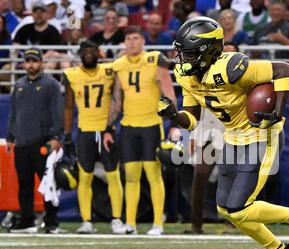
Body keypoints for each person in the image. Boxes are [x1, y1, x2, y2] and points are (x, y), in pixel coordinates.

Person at [158, 16, 289, 249]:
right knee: (226, 208)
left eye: (187, 54)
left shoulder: (231, 67)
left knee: (240, 207)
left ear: (206, 51)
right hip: (232, 137)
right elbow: (192, 120)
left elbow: (285, 69)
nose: (182, 60)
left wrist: (277, 111)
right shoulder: (187, 75)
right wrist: (173, 115)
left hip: (260, 136)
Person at [104, 26, 176, 235]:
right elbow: (116, 99)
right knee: (131, 177)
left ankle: (157, 224)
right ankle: (130, 224)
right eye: (129, 38)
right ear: (124, 41)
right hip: (128, 126)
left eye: (136, 38)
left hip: (151, 125)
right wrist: (109, 127)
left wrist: (174, 124)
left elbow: (169, 92)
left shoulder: (154, 59)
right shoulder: (119, 64)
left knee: (153, 175)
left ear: (143, 41)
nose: (132, 42)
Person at [63, 41, 125, 234]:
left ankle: (117, 219)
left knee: (113, 174)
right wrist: (66, 135)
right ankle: (87, 221)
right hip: (85, 131)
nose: (88, 54)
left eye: (92, 50)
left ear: (98, 53)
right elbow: (68, 107)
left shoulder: (109, 71)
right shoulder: (71, 75)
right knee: (85, 176)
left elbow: (117, 98)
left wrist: (110, 125)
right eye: (85, 51)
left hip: (106, 130)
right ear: (80, 54)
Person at [6, 47, 64, 234]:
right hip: (21, 142)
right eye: (28, 61)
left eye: (34, 61)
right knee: (24, 184)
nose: (31, 65)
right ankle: (26, 221)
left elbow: (58, 113)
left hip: (43, 142)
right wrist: (10, 137)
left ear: (41, 63)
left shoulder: (51, 85)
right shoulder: (20, 84)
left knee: (48, 183)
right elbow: (14, 113)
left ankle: (51, 221)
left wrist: (56, 137)